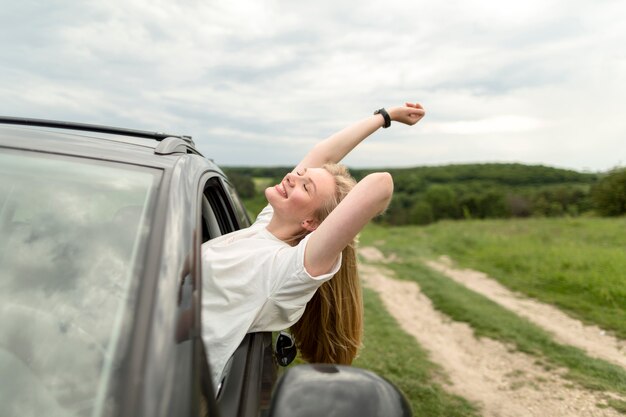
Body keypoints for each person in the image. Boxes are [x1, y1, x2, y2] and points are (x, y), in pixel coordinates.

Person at [201, 102, 426, 390]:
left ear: (311, 223)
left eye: (306, 187)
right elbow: (323, 153)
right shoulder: (263, 228)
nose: (292, 177)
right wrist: (386, 116)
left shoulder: (287, 269)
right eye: (301, 175)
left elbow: (381, 184)